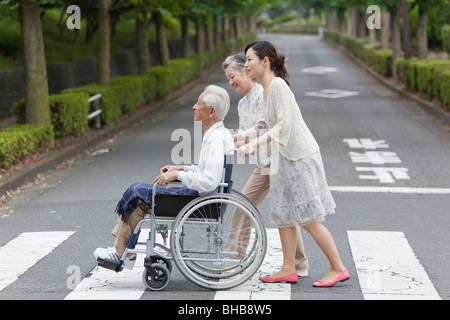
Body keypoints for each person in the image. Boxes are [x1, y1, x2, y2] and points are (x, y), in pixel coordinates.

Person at [238, 41, 348, 287]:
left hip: (298, 157)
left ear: (265, 61)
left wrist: (253, 145)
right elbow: (266, 125)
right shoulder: (267, 89)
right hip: (283, 158)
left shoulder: (277, 86)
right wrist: (243, 137)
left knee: (308, 218)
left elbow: (284, 126)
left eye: (249, 59)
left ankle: (338, 267)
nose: (245, 65)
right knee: (283, 214)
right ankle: (289, 268)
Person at [94, 85, 235, 268]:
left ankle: (122, 252)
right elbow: (205, 170)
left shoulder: (215, 139)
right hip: (199, 196)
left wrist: (178, 174)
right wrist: (181, 167)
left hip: (198, 201)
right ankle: (123, 251)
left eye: (198, 103)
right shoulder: (218, 134)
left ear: (211, 112)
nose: (194, 106)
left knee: (137, 194)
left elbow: (209, 181)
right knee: (136, 192)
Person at [221, 53, 309, 277]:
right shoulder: (242, 103)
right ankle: (298, 263)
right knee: (276, 210)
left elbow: (264, 125)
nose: (231, 82)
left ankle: (234, 256)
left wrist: (239, 139)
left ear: (246, 71)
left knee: (248, 205)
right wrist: (232, 139)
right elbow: (244, 132)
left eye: (233, 76)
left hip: (277, 160)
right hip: (264, 162)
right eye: (228, 79)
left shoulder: (263, 93)